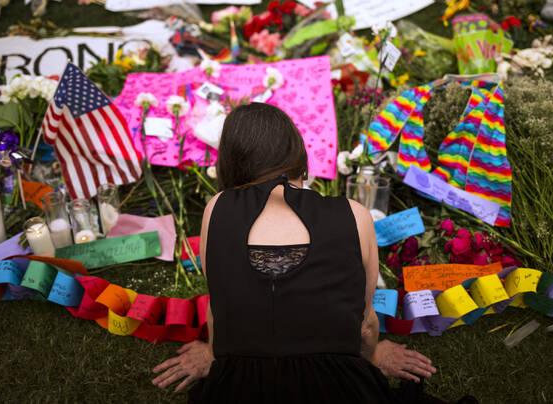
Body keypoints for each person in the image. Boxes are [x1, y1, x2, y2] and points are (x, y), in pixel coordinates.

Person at [152, 103, 439, 403]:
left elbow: (221, 305)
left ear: (231, 160)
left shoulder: (218, 208)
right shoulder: (355, 215)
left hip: (241, 387)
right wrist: (372, 357)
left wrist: (213, 354)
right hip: (337, 388)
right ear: (296, 152)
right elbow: (365, 326)